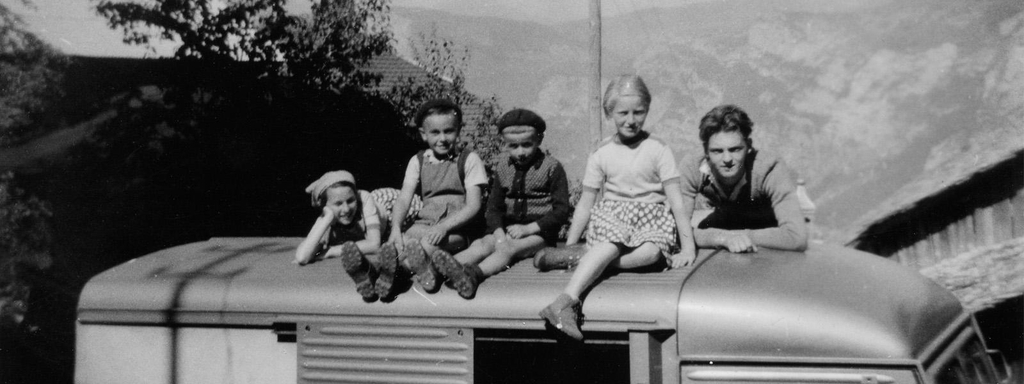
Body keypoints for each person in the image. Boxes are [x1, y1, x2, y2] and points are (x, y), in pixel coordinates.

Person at [539, 75, 696, 341]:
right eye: (623, 113)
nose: (631, 120)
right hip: (614, 215)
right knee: (611, 243)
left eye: (639, 112)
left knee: (653, 254)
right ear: (610, 112)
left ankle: (589, 262)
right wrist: (572, 242)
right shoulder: (601, 152)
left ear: (647, 109)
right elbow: (586, 203)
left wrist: (689, 246)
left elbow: (676, 201)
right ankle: (565, 301)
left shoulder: (658, 149)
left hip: (650, 218)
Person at [430, 109, 570, 299]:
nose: (520, 152)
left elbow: (561, 211)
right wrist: (497, 232)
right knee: (482, 244)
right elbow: (494, 208)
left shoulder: (552, 167)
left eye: (526, 145)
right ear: (505, 144)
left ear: (539, 139)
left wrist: (529, 229)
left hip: (538, 234)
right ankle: (440, 269)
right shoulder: (504, 167)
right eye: (513, 146)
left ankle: (473, 276)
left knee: (507, 249)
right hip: (506, 230)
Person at [381, 98, 489, 297]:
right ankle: (389, 273)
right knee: (400, 243)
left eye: (448, 131)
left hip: (457, 229)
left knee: (429, 245)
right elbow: (404, 199)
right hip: (425, 223)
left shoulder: (468, 159)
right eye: (435, 132)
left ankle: (396, 277)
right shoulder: (418, 161)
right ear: (424, 134)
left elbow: (474, 206)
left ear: (458, 131)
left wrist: (444, 226)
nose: (442, 138)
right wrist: (396, 228)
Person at [679, 104, 808, 253]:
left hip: (767, 232)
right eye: (717, 151)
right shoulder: (692, 167)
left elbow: (797, 237)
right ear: (706, 151)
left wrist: (741, 236)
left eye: (735, 149)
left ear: (748, 146)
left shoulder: (770, 169)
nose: (727, 159)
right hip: (723, 224)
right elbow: (677, 231)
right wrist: (723, 237)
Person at [295, 170, 384, 302]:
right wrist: (326, 218)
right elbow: (302, 257)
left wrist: (331, 251)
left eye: (350, 200)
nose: (346, 209)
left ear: (356, 196)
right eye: (338, 203)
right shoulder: (328, 216)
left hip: (389, 211)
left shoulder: (364, 198)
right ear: (325, 206)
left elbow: (374, 244)